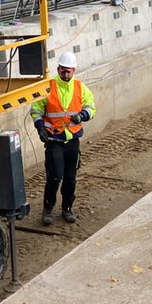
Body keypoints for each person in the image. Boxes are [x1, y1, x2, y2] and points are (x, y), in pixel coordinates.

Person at [31, 51, 96, 225]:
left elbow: (91, 107)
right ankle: (48, 209)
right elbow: (36, 110)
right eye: (63, 70)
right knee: (54, 176)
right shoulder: (49, 87)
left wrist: (82, 115)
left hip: (72, 141)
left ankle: (67, 208)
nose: (65, 74)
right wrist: (40, 128)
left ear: (74, 70)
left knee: (70, 177)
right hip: (54, 141)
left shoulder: (80, 87)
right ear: (58, 69)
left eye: (69, 71)